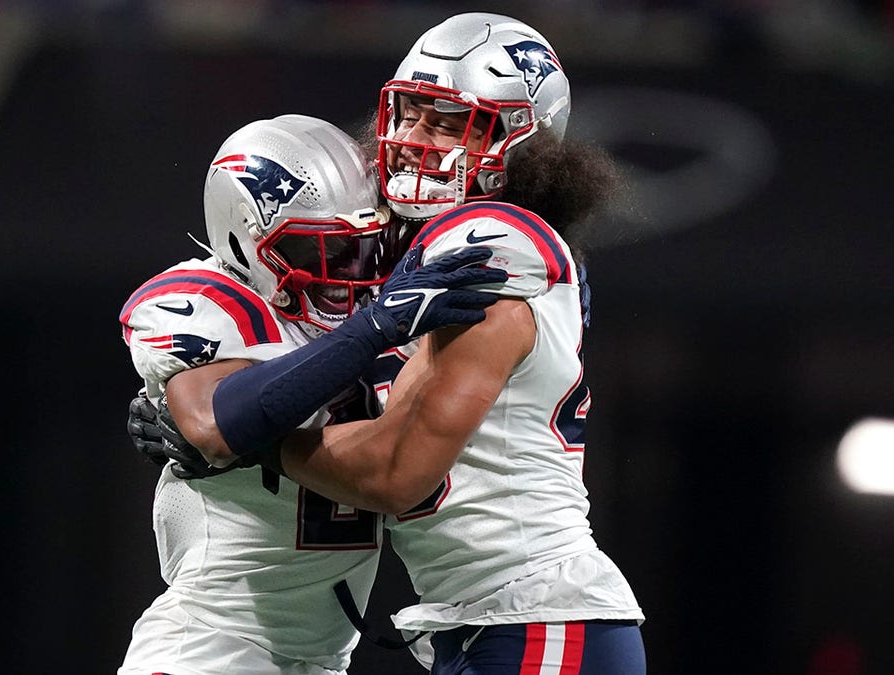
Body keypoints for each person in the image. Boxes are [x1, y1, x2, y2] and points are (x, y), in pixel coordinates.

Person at [134, 13, 648, 675]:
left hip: (535, 613)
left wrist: (249, 438)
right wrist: (208, 402)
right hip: (489, 621)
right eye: (408, 115)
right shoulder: (406, 250)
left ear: (524, 142)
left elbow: (394, 471)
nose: (412, 140)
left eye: (446, 122)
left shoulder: (487, 238)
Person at [116, 113, 506, 675]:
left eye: (359, 247)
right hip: (211, 645)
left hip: (320, 659)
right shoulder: (209, 299)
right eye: (315, 251)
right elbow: (210, 424)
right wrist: (374, 328)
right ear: (242, 240)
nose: (348, 271)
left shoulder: (393, 304)